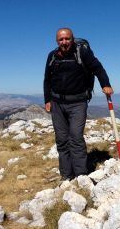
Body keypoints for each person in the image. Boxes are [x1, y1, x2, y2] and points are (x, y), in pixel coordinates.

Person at [43, 28, 113, 180]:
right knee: (61, 140)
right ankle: (66, 176)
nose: (64, 42)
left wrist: (105, 84)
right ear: (57, 41)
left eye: (67, 39)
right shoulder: (52, 56)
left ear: (72, 39)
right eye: (61, 39)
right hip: (57, 103)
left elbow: (97, 68)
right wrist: (47, 100)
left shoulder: (82, 53)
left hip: (78, 103)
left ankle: (81, 175)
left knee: (75, 138)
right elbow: (47, 79)